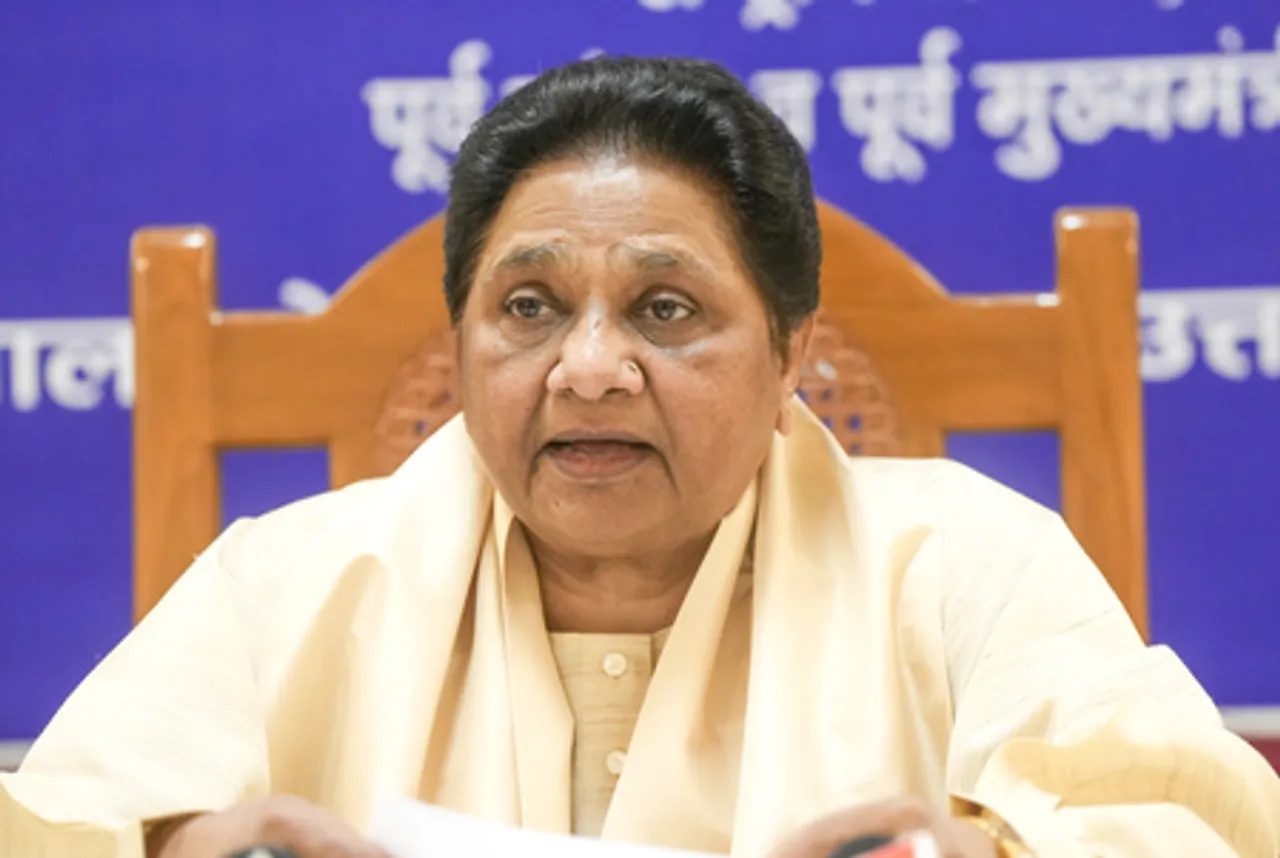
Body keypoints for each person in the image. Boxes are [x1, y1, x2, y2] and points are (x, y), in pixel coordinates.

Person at [3, 55, 1278, 858]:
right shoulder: (286, 584)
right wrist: (187, 850)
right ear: (460, 345)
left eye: (665, 310)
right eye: (528, 307)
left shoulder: (961, 561)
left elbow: (1183, 827)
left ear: (788, 354)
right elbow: (57, 824)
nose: (588, 369)